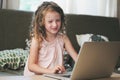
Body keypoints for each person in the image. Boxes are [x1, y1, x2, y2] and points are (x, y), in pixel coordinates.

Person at [24, 1, 78, 76]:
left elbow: (77, 59)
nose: (55, 24)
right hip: (36, 76)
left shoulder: (63, 38)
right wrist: (50, 71)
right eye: (50, 21)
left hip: (53, 76)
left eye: (58, 20)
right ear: (41, 22)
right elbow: (31, 66)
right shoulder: (37, 39)